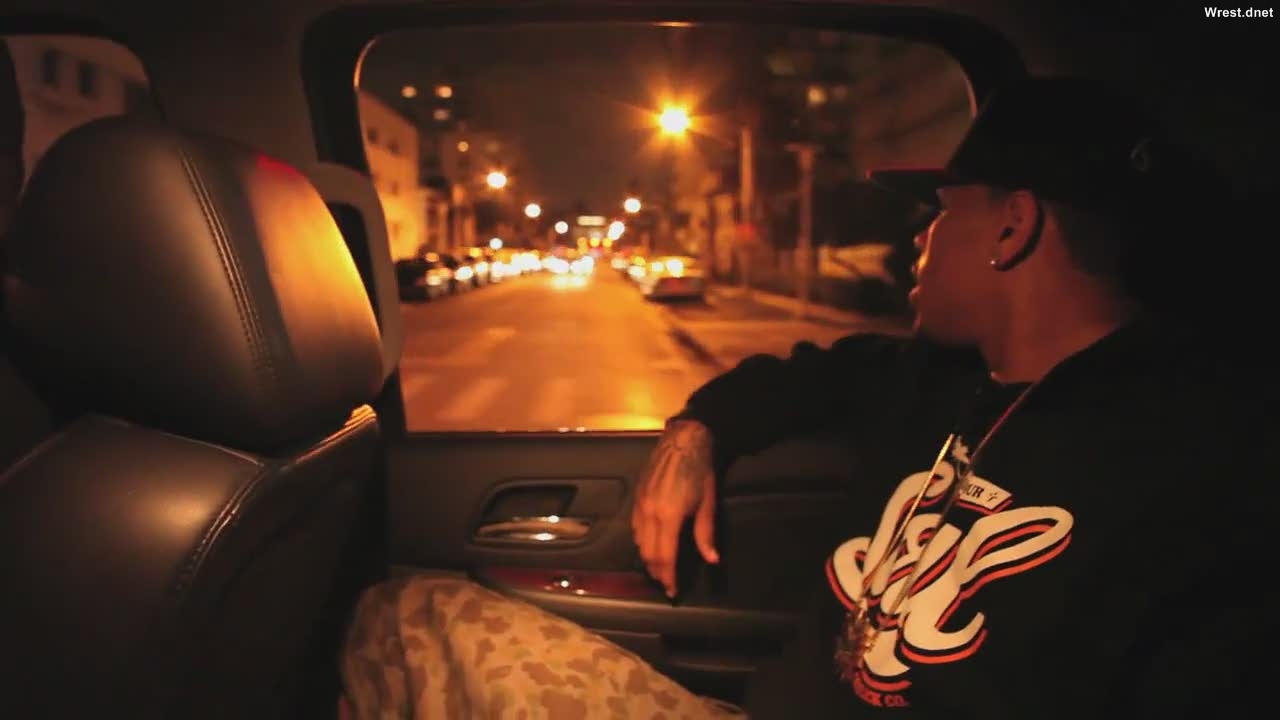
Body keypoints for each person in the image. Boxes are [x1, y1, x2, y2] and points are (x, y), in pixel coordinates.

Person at [341, 76, 1274, 718]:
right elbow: (783, 380)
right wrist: (693, 435)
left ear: (1011, 228)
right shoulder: (936, 378)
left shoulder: (1209, 469)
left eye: (941, 211)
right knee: (408, 618)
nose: (917, 240)